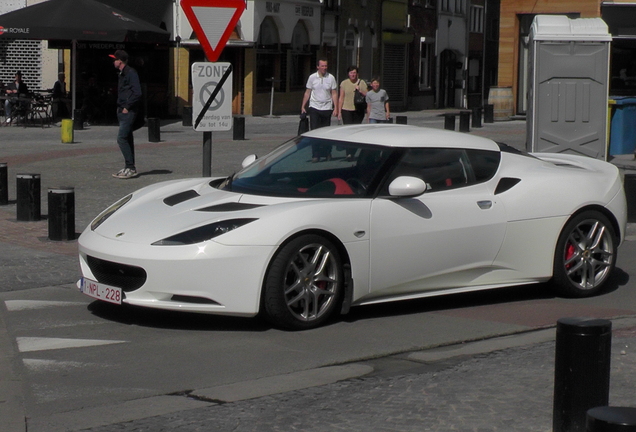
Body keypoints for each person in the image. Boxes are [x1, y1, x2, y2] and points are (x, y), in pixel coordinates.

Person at [110, 50, 142, 179]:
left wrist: (127, 107)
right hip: (122, 110)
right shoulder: (122, 74)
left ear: (120, 61)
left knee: (121, 138)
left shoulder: (131, 73)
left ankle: (130, 167)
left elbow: (137, 93)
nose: (113, 62)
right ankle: (129, 167)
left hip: (128, 111)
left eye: (114, 60)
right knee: (127, 138)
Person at [301, 59, 338, 161]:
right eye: (322, 66)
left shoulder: (331, 78)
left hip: (327, 108)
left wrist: (336, 108)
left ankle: (327, 153)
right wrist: (303, 105)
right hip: (314, 107)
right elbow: (307, 92)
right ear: (318, 67)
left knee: (326, 132)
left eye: (325, 66)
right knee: (314, 131)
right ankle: (315, 154)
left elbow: (334, 93)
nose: (324, 68)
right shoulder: (312, 77)